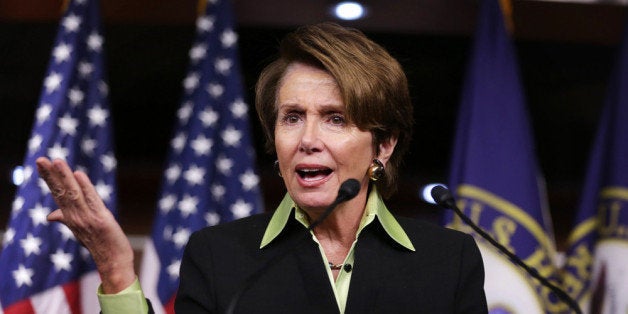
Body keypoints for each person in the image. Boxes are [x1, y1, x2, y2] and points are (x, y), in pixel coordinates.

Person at [36, 22, 488, 313]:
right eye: (292, 118)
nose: (308, 140)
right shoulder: (220, 256)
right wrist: (116, 270)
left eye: (335, 118)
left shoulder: (447, 261)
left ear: (383, 145)